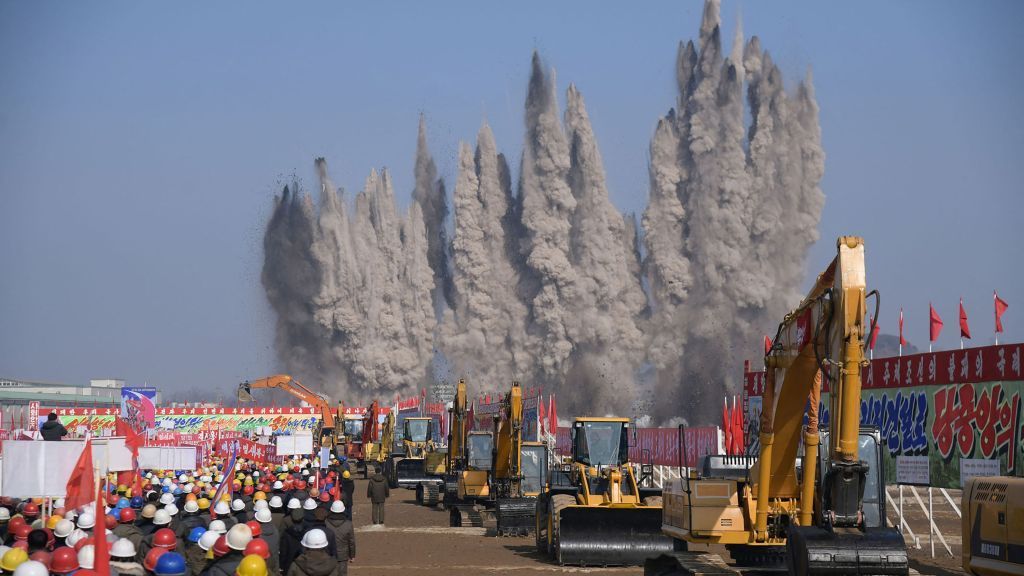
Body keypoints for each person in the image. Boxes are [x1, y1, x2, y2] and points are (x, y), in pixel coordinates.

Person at [325, 501, 354, 575]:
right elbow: (351, 542)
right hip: (343, 554)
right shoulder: (348, 524)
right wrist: (352, 555)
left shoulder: (326, 523)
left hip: (329, 554)